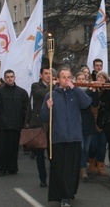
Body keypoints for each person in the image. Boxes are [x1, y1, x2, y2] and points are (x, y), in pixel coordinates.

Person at [40, 68, 92, 206]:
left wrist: (74, 88)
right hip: (58, 137)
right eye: (64, 77)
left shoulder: (75, 93)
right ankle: (62, 195)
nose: (66, 80)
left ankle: (70, 193)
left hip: (74, 137)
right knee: (60, 169)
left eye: (69, 77)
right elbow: (44, 117)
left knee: (72, 169)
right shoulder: (51, 95)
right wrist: (47, 107)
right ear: (57, 79)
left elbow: (86, 103)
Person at [0, 70, 29, 176]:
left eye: (11, 76)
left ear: (15, 77)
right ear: (4, 79)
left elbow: (26, 109)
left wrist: (25, 122)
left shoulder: (22, 92)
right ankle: (2, 168)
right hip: (2, 124)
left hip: (15, 124)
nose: (10, 78)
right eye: (7, 77)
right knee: (1, 148)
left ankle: (12, 167)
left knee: (13, 148)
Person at [29, 67, 56, 187]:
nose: (48, 76)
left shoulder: (56, 87)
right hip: (40, 123)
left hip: (52, 124)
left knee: (53, 154)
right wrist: (53, 87)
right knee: (40, 154)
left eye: (50, 74)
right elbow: (42, 94)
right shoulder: (36, 86)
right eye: (46, 74)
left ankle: (55, 178)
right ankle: (43, 178)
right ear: (40, 75)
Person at [74, 72, 98, 181]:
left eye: (83, 79)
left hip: (88, 122)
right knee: (81, 147)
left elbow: (95, 104)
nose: (81, 81)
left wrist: (94, 91)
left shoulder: (89, 90)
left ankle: (82, 166)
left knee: (87, 148)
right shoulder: (73, 90)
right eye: (78, 79)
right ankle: (82, 169)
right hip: (77, 121)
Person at [88, 71, 108, 176]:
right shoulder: (92, 89)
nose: (100, 78)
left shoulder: (107, 91)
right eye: (99, 76)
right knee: (93, 145)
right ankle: (92, 161)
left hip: (103, 121)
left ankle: (100, 165)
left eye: (103, 77)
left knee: (102, 144)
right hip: (92, 120)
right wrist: (93, 90)